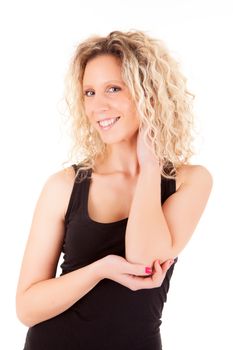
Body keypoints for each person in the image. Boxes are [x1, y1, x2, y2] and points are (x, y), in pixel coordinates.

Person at [16, 29, 213, 350]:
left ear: (148, 94)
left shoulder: (191, 181)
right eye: (89, 92)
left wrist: (150, 166)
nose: (98, 106)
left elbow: (144, 258)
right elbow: (27, 308)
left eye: (113, 89)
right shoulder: (64, 186)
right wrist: (100, 269)